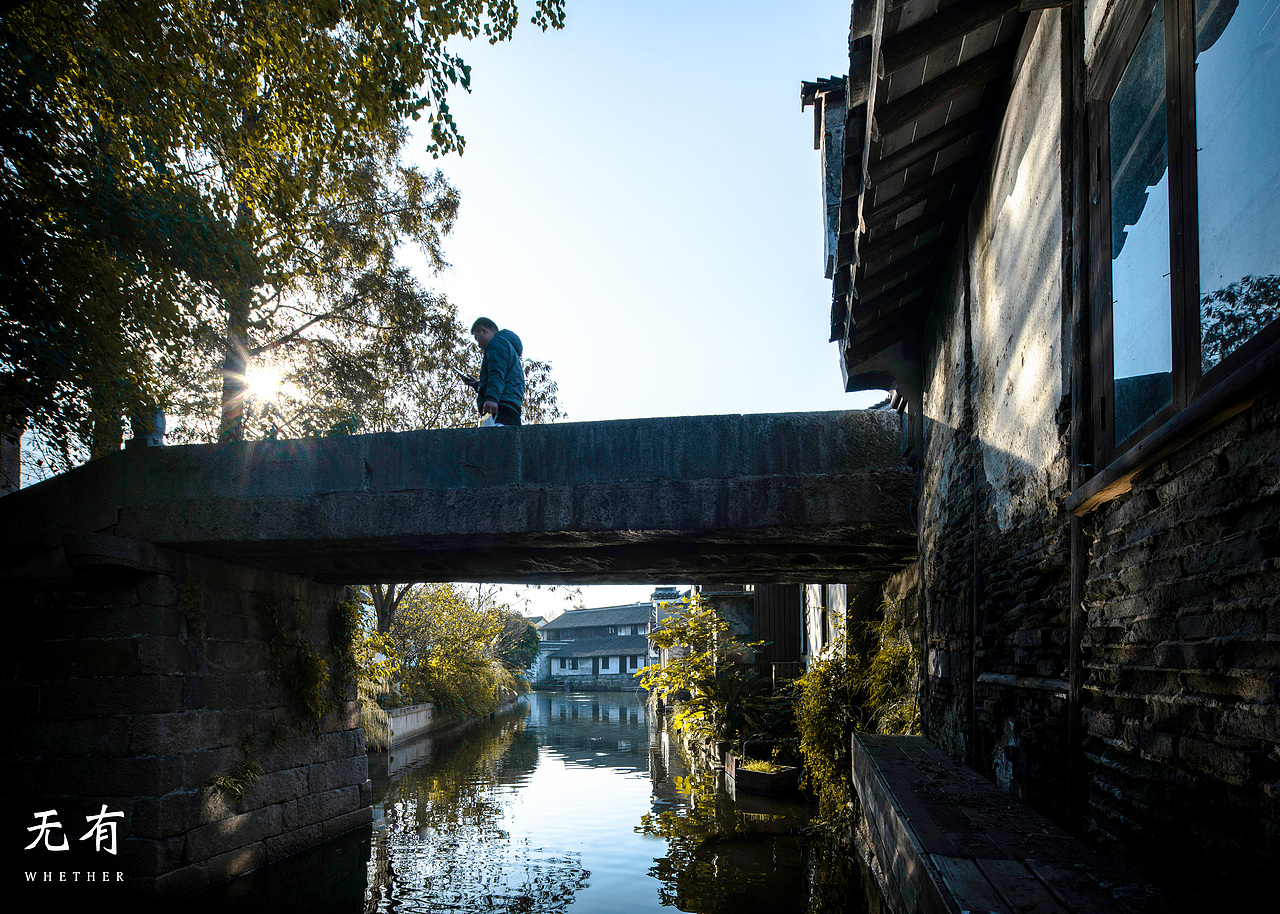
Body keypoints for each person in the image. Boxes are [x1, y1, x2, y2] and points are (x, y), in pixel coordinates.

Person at [466, 317, 525, 426]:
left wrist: (492, 399)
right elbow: (506, 377)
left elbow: (496, 373)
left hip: (499, 406)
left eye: (477, 338)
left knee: (493, 440)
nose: (478, 345)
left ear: (484, 330)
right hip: (510, 407)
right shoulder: (508, 346)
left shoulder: (496, 342)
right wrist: (477, 385)